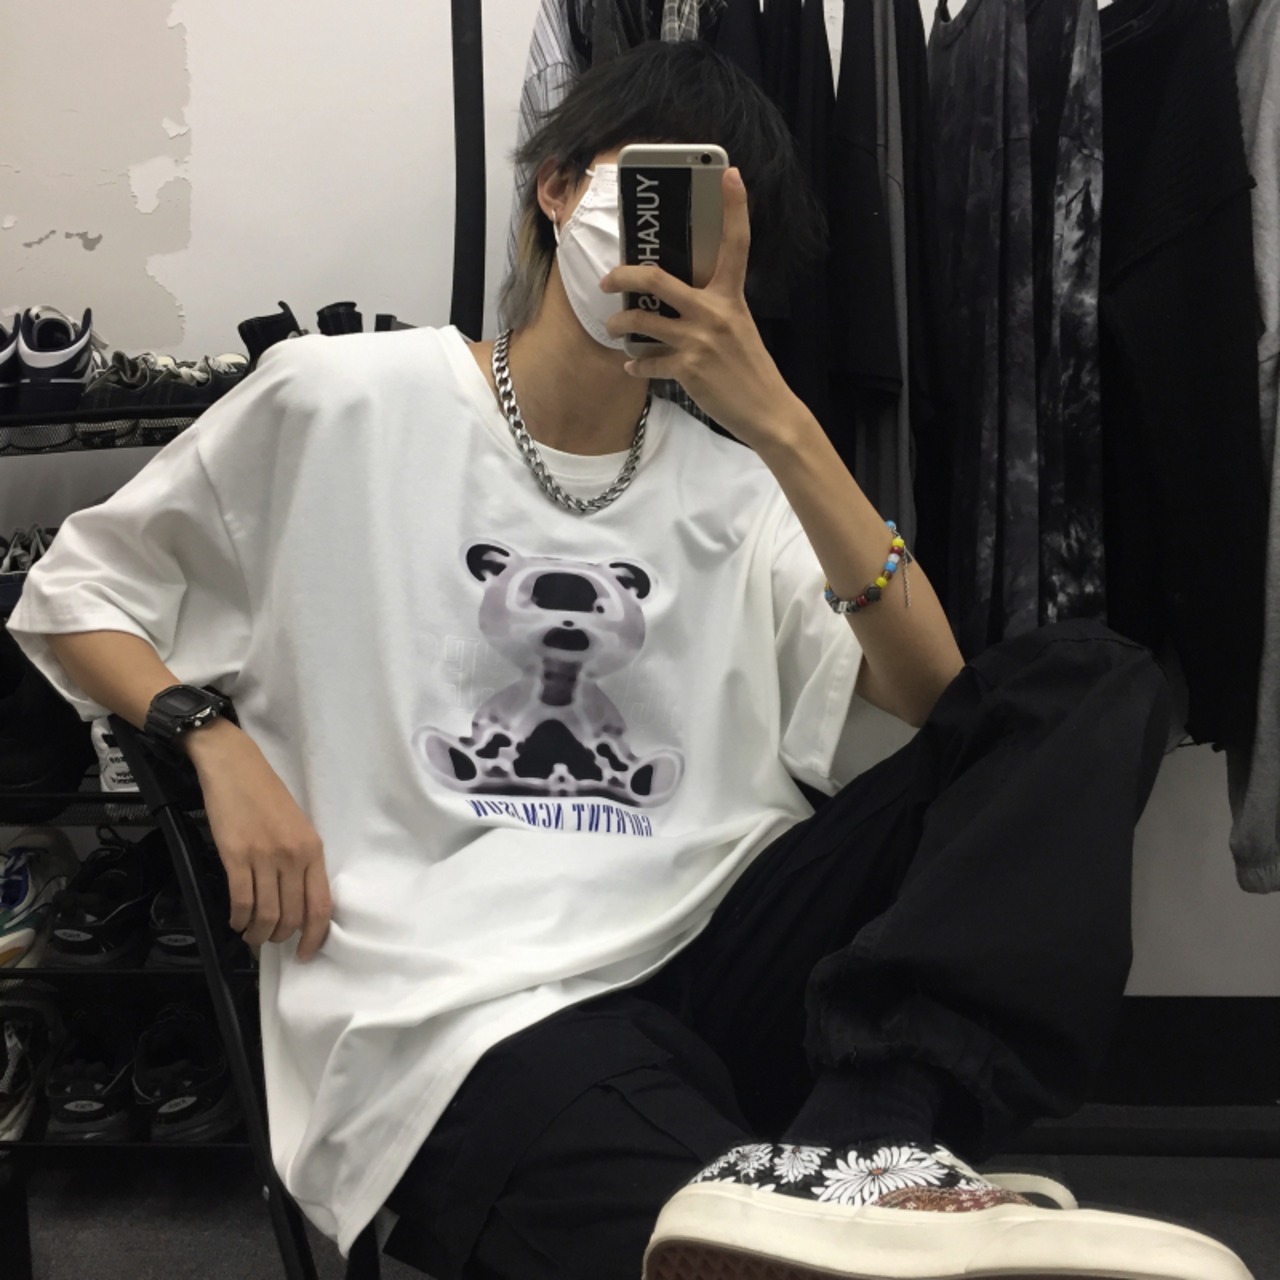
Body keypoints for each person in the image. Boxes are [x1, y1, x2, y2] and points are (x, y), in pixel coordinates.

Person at [9, 39, 1251, 1280]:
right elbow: (78, 590)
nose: (669, 237)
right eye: (654, 185)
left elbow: (945, 706)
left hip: (731, 952)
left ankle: (867, 1130)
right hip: (464, 1006)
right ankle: (843, 1202)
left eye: (712, 217)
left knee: (1090, 679)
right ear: (556, 187)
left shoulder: (739, 482)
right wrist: (209, 735)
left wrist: (776, 418)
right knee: (723, 1245)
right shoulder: (340, 401)